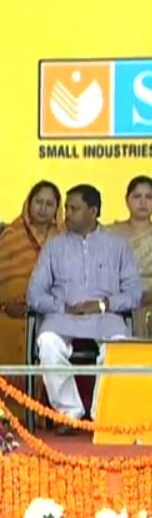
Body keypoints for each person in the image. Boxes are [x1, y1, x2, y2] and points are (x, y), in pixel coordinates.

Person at [27, 184, 142, 433]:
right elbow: (34, 294)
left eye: (74, 208)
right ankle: (70, 414)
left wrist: (103, 304)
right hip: (62, 316)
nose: (66, 214)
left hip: (105, 317)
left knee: (118, 346)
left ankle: (102, 416)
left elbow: (134, 293)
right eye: (67, 208)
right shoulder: (54, 247)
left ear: (93, 211)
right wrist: (62, 306)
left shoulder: (118, 246)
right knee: (48, 342)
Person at [0, 181, 63, 373]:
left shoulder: (64, 237)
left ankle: (46, 390)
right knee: (3, 325)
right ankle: (9, 389)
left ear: (57, 208)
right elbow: (0, 278)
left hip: (56, 308)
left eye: (49, 204)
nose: (43, 209)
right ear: (29, 204)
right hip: (15, 309)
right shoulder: (12, 235)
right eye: (38, 202)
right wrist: (12, 301)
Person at [110, 176, 152, 338]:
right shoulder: (111, 233)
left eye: (149, 197)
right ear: (127, 200)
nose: (143, 202)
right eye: (137, 196)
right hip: (119, 301)